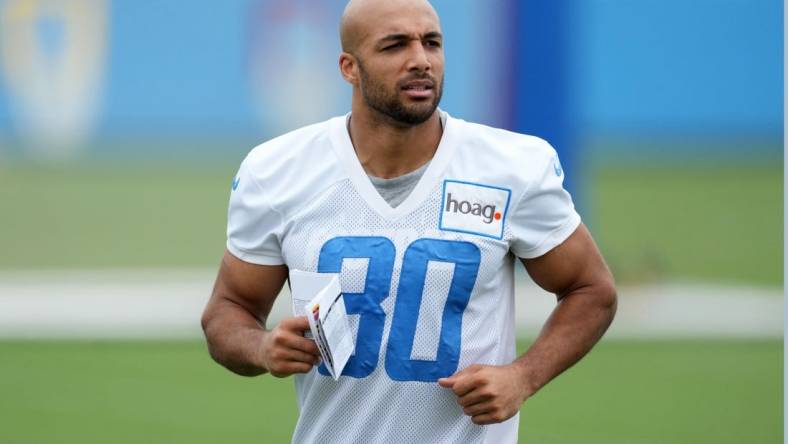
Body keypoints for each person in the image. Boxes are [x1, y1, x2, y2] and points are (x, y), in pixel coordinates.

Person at [201, 0, 617, 442]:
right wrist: (262, 348)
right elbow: (228, 313)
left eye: (432, 43)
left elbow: (592, 290)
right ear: (349, 68)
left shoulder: (511, 168)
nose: (420, 60)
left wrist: (523, 377)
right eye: (395, 45)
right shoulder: (278, 171)